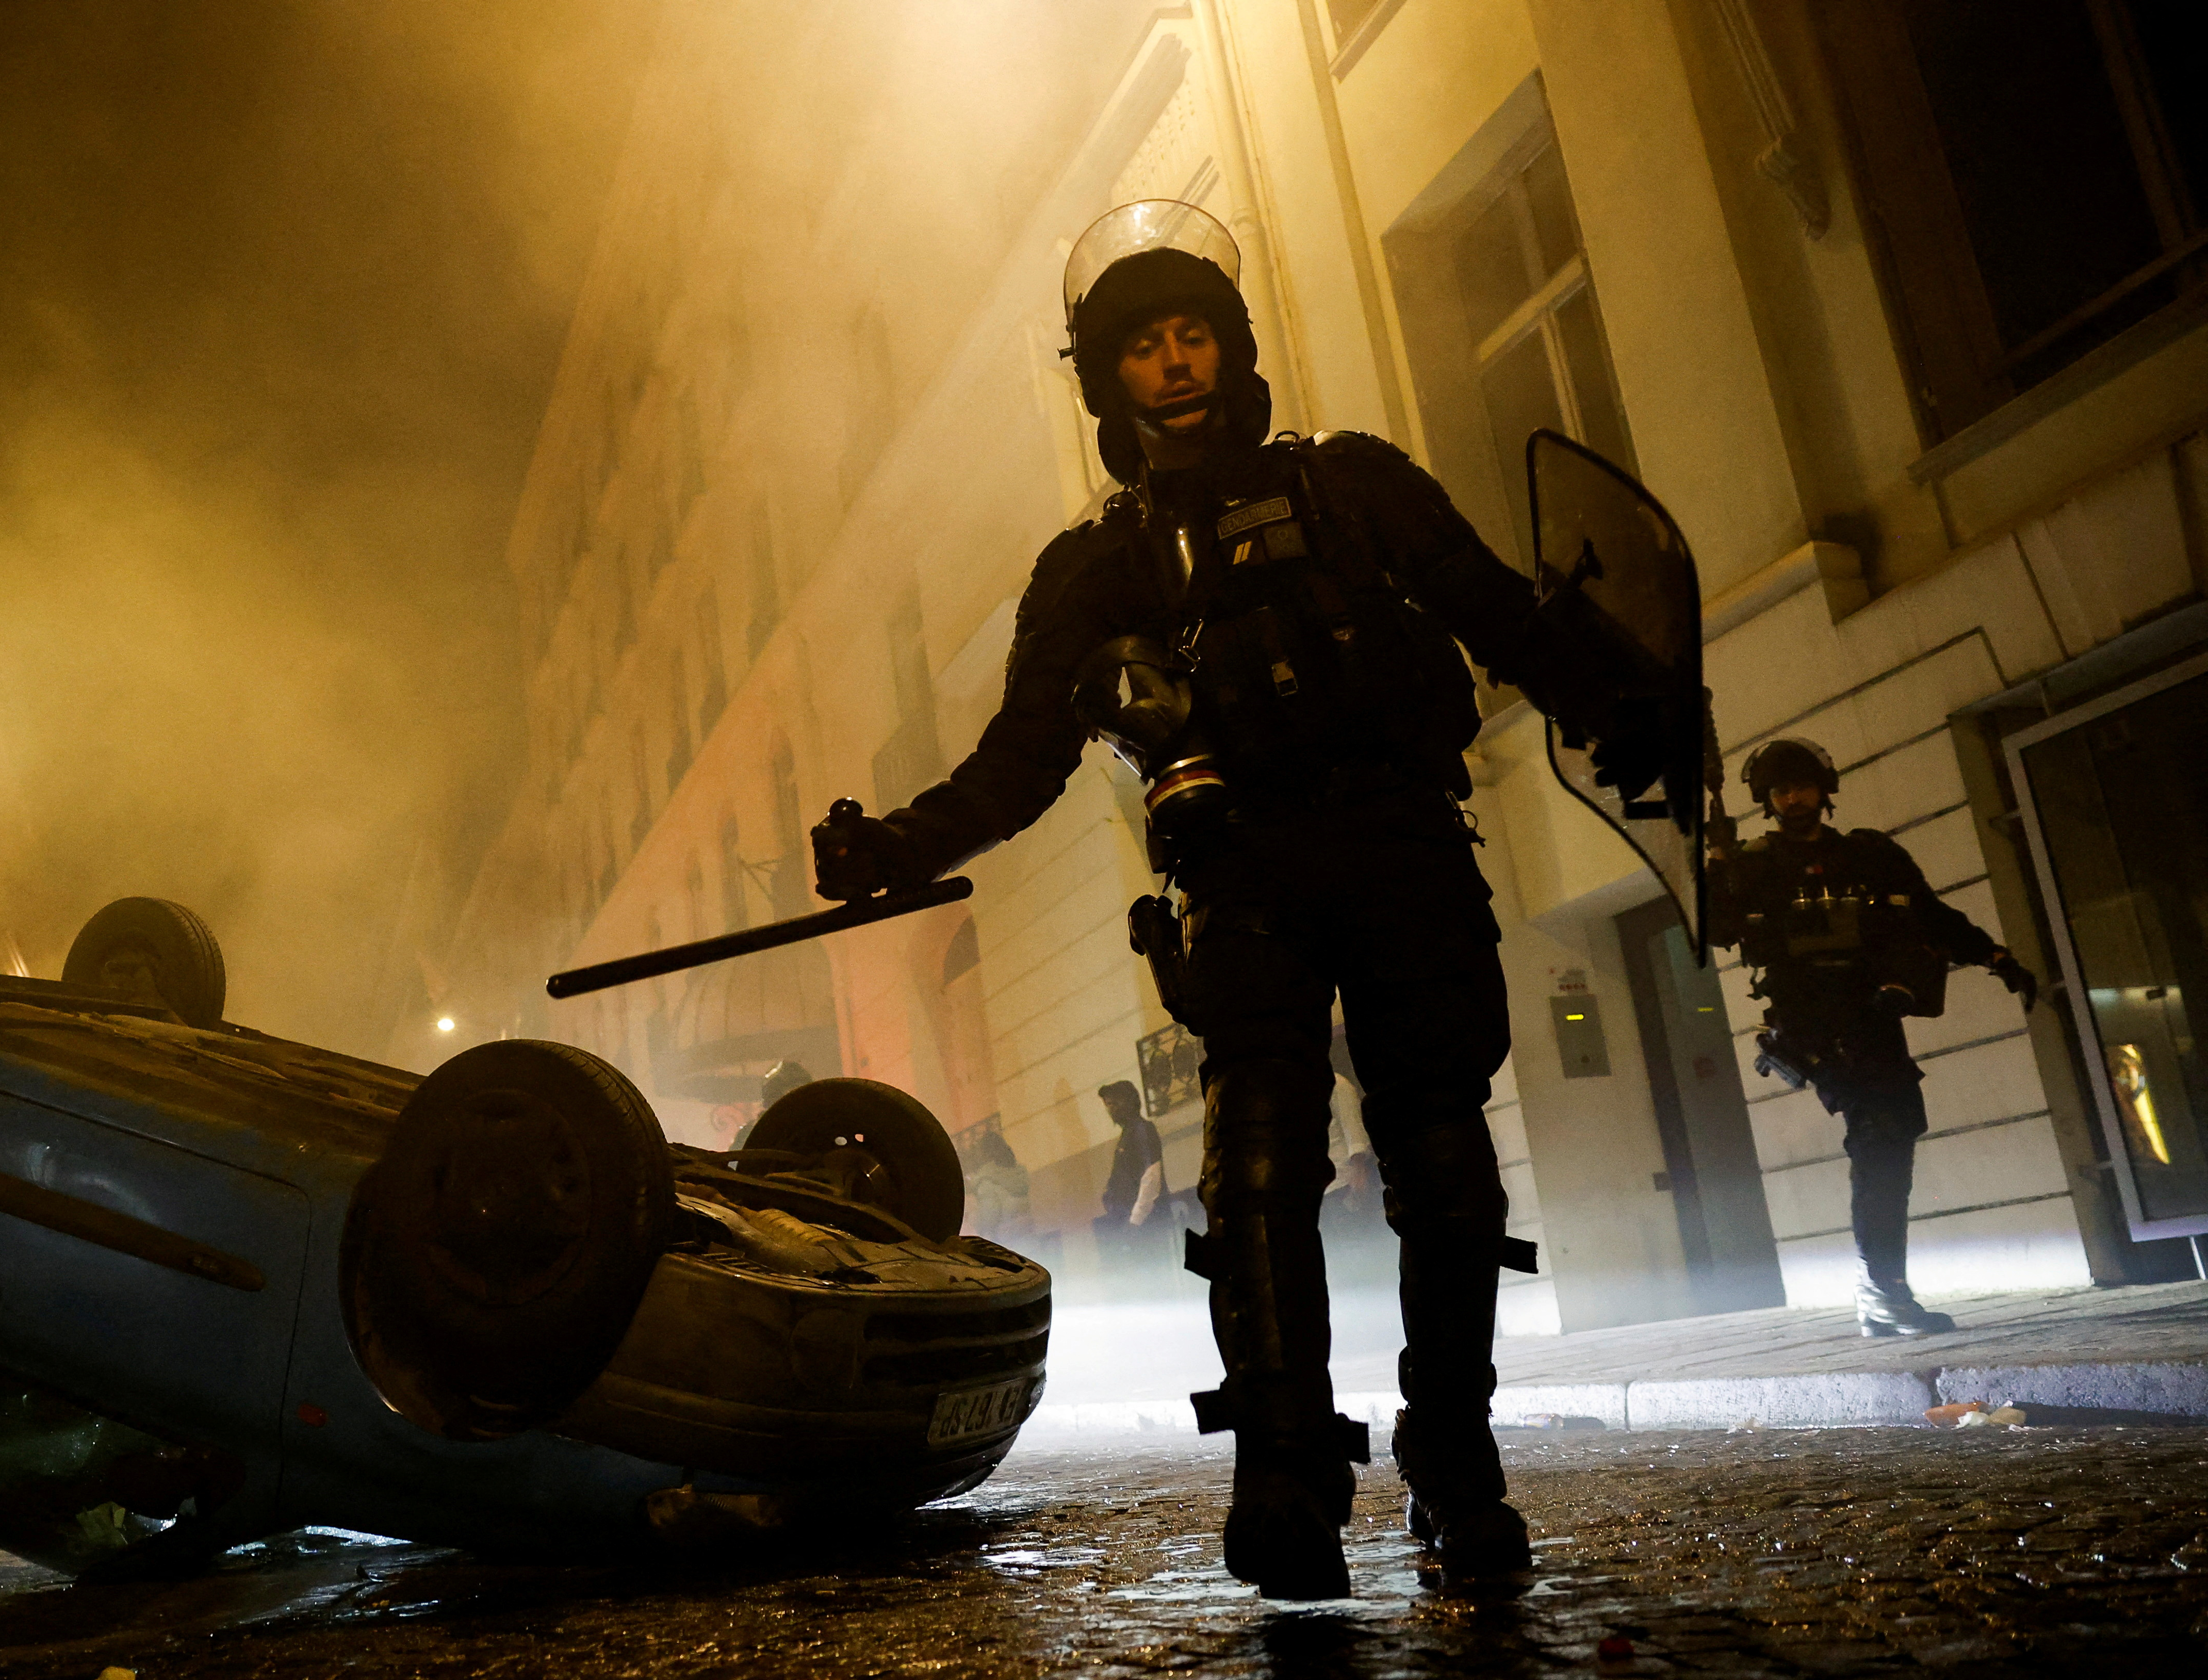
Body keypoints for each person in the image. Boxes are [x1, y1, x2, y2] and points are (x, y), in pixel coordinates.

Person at [809, 201, 1665, 1597]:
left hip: (1398, 845)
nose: (1174, 362)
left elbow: (1494, 608)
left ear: (1230, 347)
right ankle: (1285, 1480)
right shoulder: (1093, 565)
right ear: (1108, 379)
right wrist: (897, 845)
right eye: (1141, 345)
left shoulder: (1355, 486)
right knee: (1257, 1174)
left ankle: (1455, 1470)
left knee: (1442, 1168)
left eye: (1190, 332)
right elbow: (1019, 760)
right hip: (1243, 874)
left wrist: (1610, 699)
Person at [1710, 738, 2037, 1336]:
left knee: (1896, 1132)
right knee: (1880, 1134)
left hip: (1873, 1013)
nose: (1793, 797)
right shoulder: (1751, 865)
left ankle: (1879, 1287)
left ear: (1824, 787)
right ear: (1766, 800)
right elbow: (1712, 930)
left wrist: (1993, 955)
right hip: (1814, 1022)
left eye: (1802, 784)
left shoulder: (1869, 855)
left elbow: (1927, 914)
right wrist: (1713, 865)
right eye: (1780, 789)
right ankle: (1880, 1288)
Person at [1094, 1080, 1168, 1262]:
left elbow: (1151, 1177)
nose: (1110, 1110)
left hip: (1146, 1229)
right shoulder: (1129, 1134)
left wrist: (1134, 1223)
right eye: (1107, 1105)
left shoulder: (1142, 1130)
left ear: (1127, 1102)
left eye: (1113, 1103)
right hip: (1133, 1226)